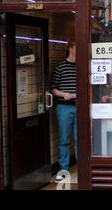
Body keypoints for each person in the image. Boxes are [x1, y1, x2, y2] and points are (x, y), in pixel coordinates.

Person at [50, 39, 77, 182]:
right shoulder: (60, 67)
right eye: (78, 47)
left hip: (80, 106)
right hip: (64, 108)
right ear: (70, 48)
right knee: (64, 140)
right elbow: (53, 88)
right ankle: (64, 170)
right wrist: (63, 94)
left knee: (81, 140)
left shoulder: (82, 67)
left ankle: (82, 168)